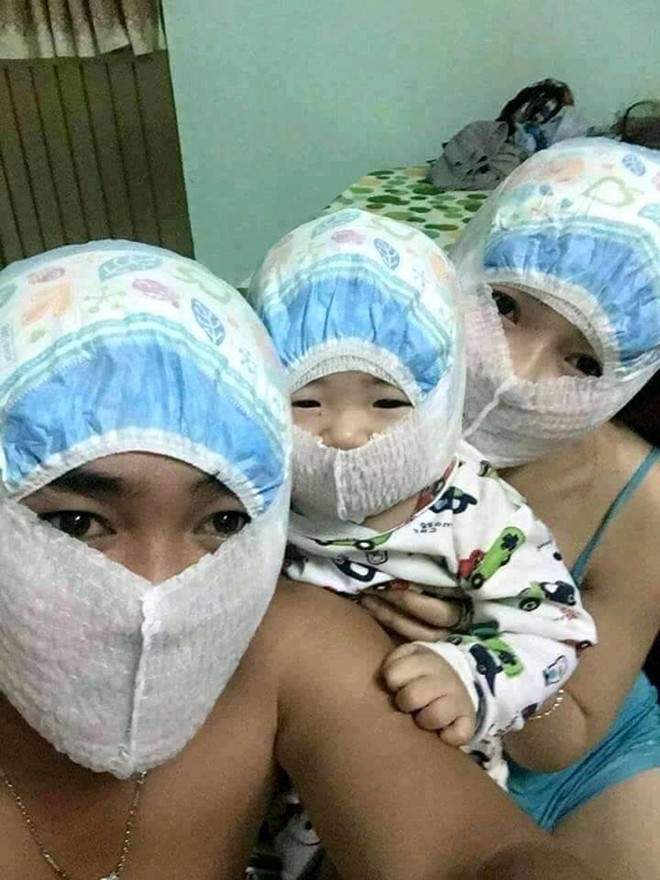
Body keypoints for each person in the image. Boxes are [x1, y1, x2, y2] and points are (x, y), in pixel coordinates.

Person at [0, 240, 598, 880]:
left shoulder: (288, 640)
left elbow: (479, 855)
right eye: (76, 523)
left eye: (223, 522)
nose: (156, 592)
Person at [360, 138, 660, 880]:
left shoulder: (643, 501)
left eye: (584, 361)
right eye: (503, 306)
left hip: (581, 757)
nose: (516, 372)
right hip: (393, 721)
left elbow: (567, 738)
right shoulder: (342, 404)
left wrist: (488, 646)